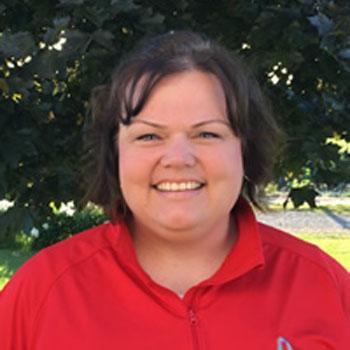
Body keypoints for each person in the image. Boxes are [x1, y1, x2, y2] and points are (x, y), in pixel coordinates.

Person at [0, 31, 349, 350]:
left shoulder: (325, 287)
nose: (178, 159)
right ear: (115, 153)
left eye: (207, 134)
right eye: (149, 136)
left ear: (245, 150)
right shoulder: (42, 291)